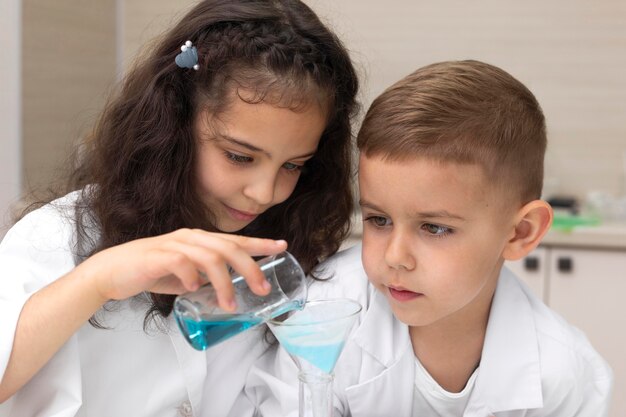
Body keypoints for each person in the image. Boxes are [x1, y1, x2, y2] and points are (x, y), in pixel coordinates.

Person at [0, 1, 359, 415]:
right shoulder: (56, 239)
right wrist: (97, 280)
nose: (264, 193)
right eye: (240, 157)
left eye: (293, 165)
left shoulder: (281, 255)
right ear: (175, 126)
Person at [245, 60, 613, 416]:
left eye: (435, 227)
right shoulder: (321, 313)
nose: (395, 257)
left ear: (520, 233)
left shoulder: (566, 376)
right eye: (379, 219)